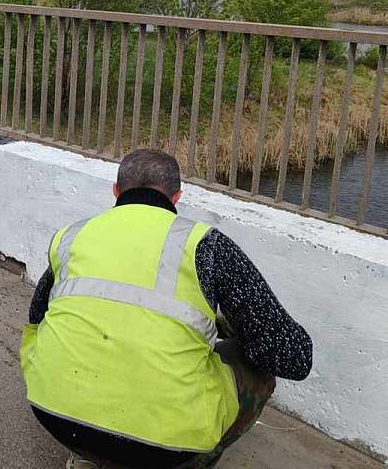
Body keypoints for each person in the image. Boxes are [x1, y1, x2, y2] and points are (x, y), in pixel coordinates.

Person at [21, 149, 312, 469]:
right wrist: (228, 331)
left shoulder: (72, 235)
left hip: (54, 414)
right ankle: (188, 461)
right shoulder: (205, 244)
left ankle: (91, 456)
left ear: (116, 191)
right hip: (163, 446)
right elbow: (293, 357)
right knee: (260, 369)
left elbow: (38, 315)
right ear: (176, 196)